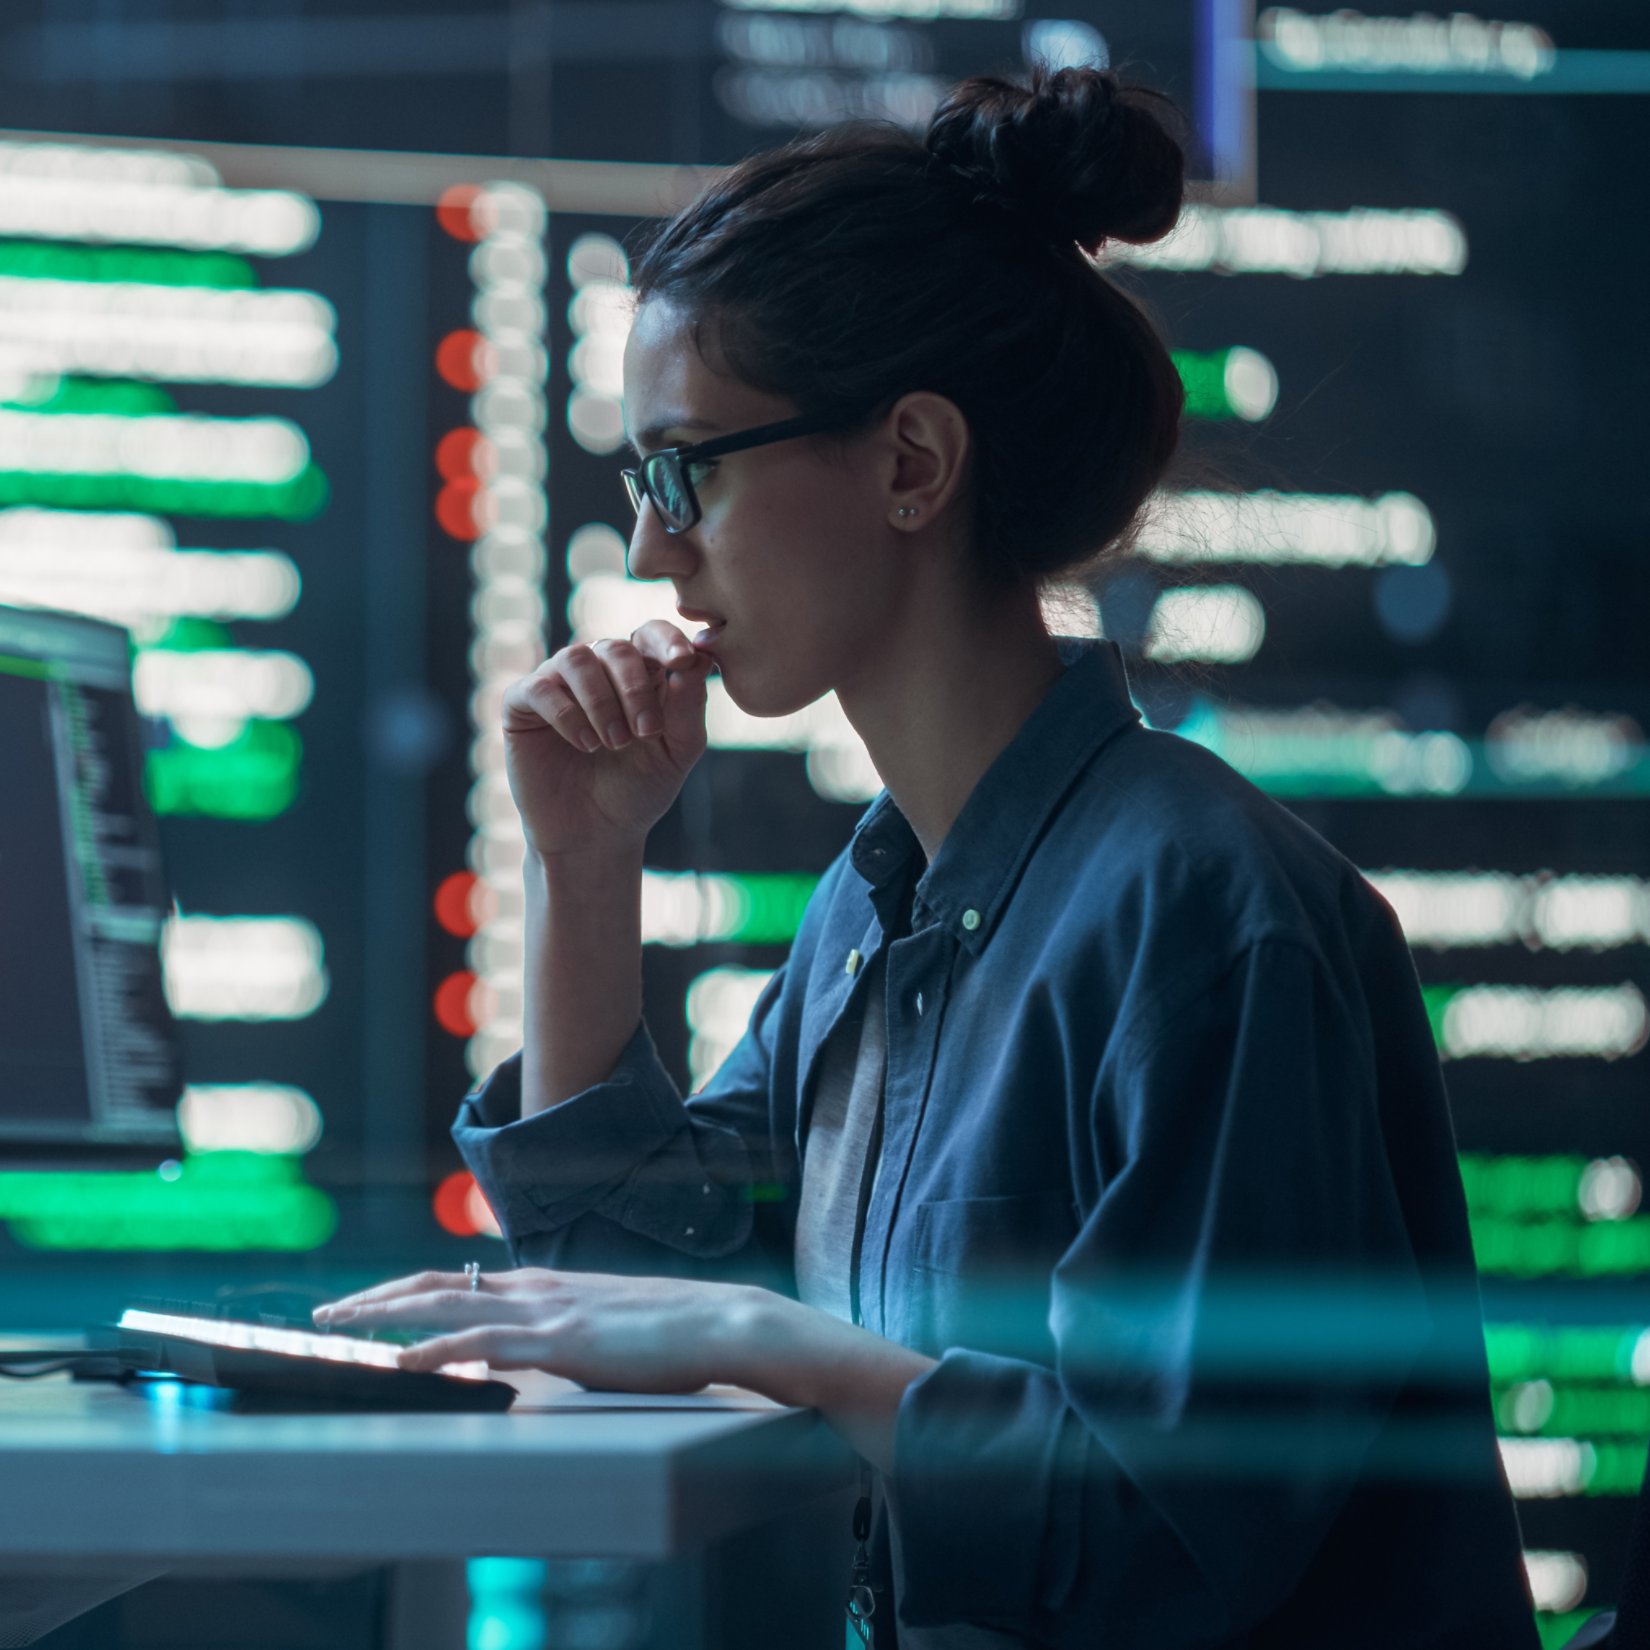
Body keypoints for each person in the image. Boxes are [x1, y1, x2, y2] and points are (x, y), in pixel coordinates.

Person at [318, 66, 1540, 1648]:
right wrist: (582, 867)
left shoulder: (1202, 913)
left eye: (687, 469)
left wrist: (776, 1338)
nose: (648, 551)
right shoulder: (881, 904)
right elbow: (628, 1297)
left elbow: (1156, 1542)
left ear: (910, 463)